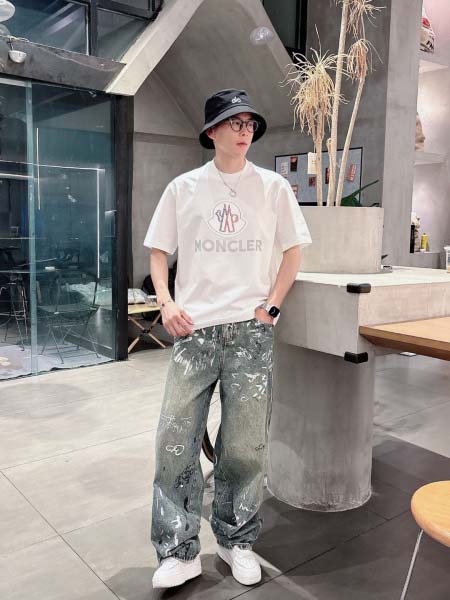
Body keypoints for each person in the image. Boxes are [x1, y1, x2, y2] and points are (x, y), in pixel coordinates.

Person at [144, 88, 312, 589]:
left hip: (250, 333)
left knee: (245, 444)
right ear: (212, 131)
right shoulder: (184, 188)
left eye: (249, 123)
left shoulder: (273, 187)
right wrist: (166, 303)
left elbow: (293, 252)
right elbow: (158, 252)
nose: (244, 131)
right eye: (233, 123)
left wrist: (272, 307)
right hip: (194, 331)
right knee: (175, 439)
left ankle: (236, 539)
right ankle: (178, 550)